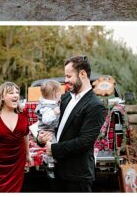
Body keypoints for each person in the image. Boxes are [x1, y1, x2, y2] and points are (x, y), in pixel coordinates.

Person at [44, 55, 108, 192]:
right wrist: (41, 137)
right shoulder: (65, 97)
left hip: (77, 176)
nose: (66, 81)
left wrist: (54, 149)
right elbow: (55, 126)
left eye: (69, 76)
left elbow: (84, 142)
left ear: (83, 74)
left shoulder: (95, 105)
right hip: (57, 172)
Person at [35, 80, 63, 180]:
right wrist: (55, 113)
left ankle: (52, 162)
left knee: (55, 145)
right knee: (53, 146)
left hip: (52, 129)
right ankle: (49, 163)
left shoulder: (52, 103)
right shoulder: (46, 106)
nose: (62, 93)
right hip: (47, 130)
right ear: (56, 94)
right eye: (60, 91)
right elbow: (46, 120)